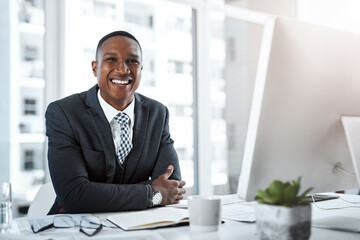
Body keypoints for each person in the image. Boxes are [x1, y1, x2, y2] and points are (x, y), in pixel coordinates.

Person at [45, 31, 186, 214]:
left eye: (133, 61)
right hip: (75, 230)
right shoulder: (64, 113)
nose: (123, 69)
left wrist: (92, 195)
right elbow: (74, 196)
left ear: (141, 69)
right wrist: (152, 193)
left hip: (138, 227)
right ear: (95, 68)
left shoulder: (158, 114)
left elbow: (172, 187)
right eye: (111, 59)